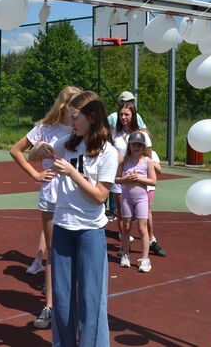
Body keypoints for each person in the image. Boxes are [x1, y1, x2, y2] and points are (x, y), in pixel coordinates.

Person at [30, 90, 118, 347]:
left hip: (90, 232)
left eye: (76, 118)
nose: (71, 123)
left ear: (92, 117)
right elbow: (31, 156)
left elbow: (100, 196)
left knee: (91, 300)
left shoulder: (107, 152)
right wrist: (40, 149)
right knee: (63, 298)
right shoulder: (68, 143)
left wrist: (72, 173)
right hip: (63, 229)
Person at [9, 86, 81, 329]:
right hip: (51, 195)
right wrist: (35, 173)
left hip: (77, 196)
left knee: (78, 252)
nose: (78, 111)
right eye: (75, 105)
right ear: (64, 105)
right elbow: (16, 150)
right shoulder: (44, 128)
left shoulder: (82, 129)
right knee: (53, 252)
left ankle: (74, 303)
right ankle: (50, 306)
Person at [115, 131, 157, 272]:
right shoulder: (124, 161)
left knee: (141, 227)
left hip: (141, 198)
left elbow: (153, 181)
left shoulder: (147, 161)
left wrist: (138, 179)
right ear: (130, 145)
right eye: (134, 144)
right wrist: (125, 179)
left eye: (140, 145)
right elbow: (116, 178)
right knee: (126, 227)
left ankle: (145, 259)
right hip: (127, 197)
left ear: (144, 147)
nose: (137, 147)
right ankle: (126, 254)